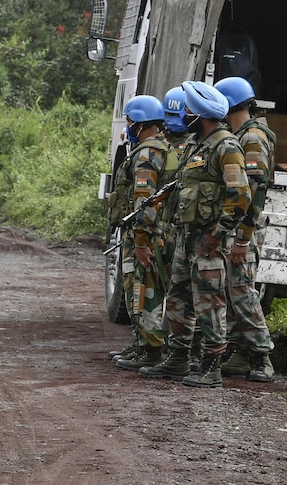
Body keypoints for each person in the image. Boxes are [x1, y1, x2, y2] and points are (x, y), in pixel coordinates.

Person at [140, 81, 251, 388]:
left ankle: (211, 365)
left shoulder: (226, 146)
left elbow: (240, 196)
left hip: (209, 240)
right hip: (187, 237)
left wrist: (218, 234)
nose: (183, 113)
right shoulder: (194, 144)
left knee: (210, 302)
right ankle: (177, 358)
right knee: (177, 299)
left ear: (200, 114)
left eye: (188, 109)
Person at [214, 76, 276, 382]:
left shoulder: (251, 137)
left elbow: (255, 191)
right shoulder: (241, 133)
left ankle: (262, 356)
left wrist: (242, 239)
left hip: (245, 230)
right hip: (239, 228)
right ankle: (238, 353)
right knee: (233, 289)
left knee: (242, 291)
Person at [110, 95, 175, 372]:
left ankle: (150, 350)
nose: (127, 128)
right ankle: (142, 344)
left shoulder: (147, 154)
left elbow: (144, 201)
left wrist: (140, 241)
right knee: (146, 289)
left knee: (143, 290)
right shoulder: (165, 148)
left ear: (141, 124)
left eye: (130, 122)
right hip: (158, 232)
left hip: (147, 234)